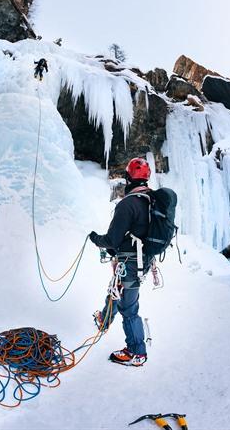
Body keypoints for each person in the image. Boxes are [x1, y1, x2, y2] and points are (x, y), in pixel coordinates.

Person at [89, 157, 153, 367]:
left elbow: (111, 239)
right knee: (116, 290)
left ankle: (137, 352)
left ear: (128, 178)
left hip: (130, 264)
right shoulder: (150, 201)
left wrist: (94, 238)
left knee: (129, 307)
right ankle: (105, 319)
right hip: (140, 260)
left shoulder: (128, 204)